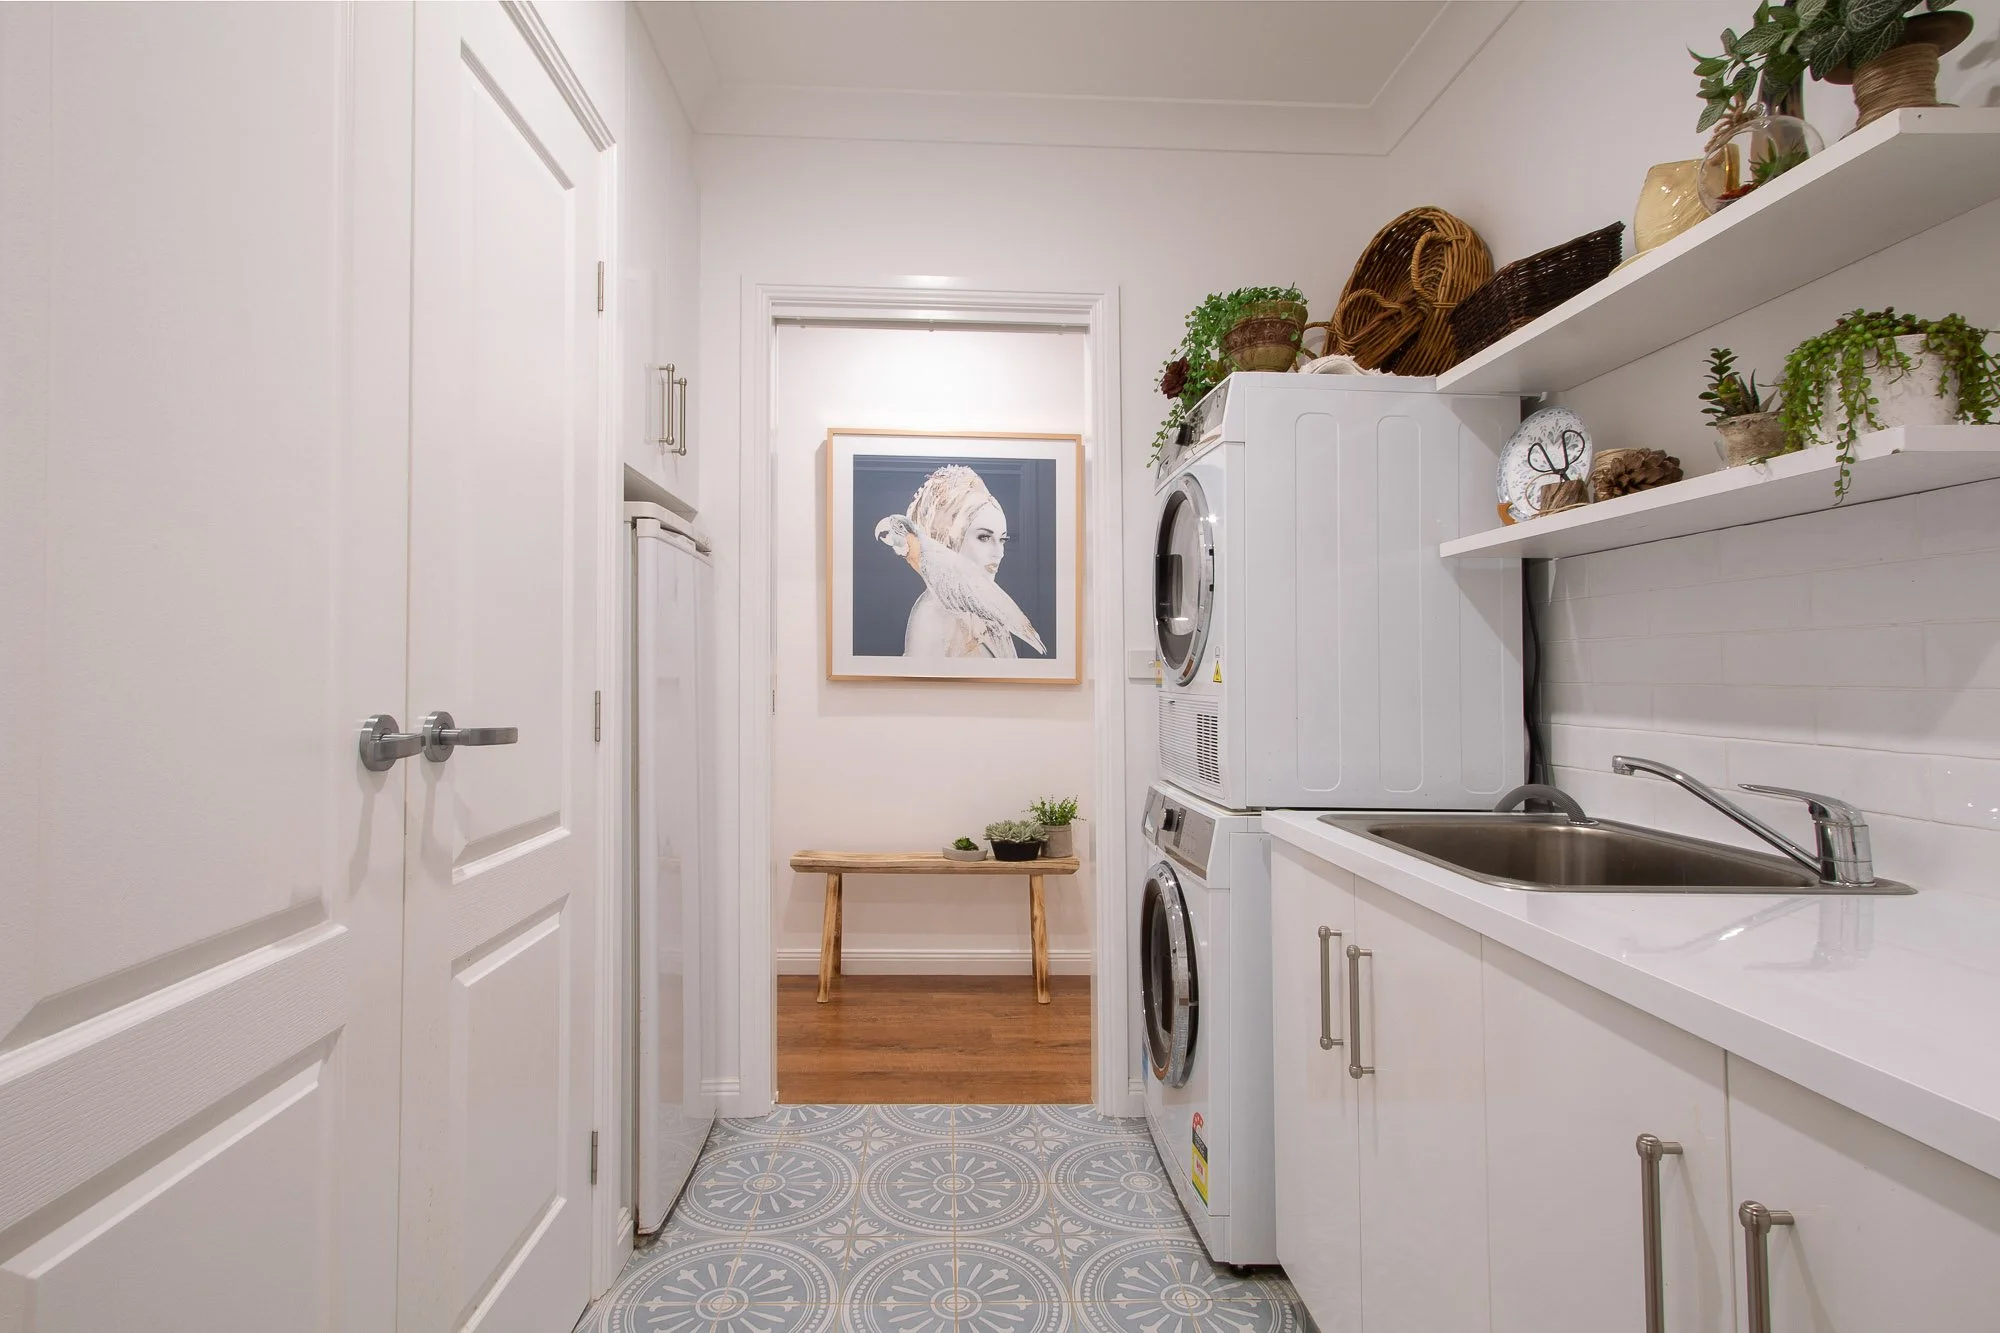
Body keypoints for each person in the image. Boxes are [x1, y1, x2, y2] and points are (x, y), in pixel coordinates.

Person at [894, 465, 1036, 658]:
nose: (999, 553)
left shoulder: (986, 607)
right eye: (984, 537)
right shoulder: (933, 613)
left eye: (1002, 540)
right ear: (951, 539)